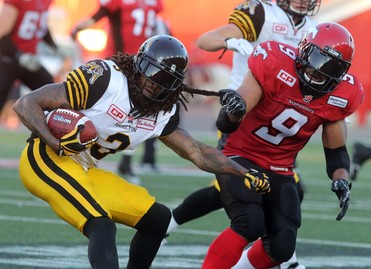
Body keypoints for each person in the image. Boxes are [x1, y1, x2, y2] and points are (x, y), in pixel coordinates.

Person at [13, 35, 271, 269]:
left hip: (85, 168)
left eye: (163, 81)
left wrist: (241, 172)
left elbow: (197, 152)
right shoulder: (105, 80)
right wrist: (55, 142)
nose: (152, 84)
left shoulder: (163, 111)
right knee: (100, 224)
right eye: (150, 72)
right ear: (138, 65)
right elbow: (26, 103)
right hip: (46, 158)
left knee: (158, 219)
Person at [167, 1, 320, 268]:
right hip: (243, 114)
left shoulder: (313, 29)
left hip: (280, 117)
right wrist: (230, 43)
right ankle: (287, 258)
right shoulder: (262, 14)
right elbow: (206, 40)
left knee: (236, 189)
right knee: (277, 189)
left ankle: (169, 222)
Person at [201, 22, 362, 269]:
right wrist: (233, 112)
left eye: (332, 66)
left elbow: (336, 153)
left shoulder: (343, 94)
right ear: (304, 48)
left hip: (281, 168)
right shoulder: (274, 61)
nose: (321, 70)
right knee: (249, 221)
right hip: (239, 154)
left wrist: (341, 179)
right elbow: (227, 123)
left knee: (283, 245)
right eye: (319, 58)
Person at [71, 0, 165, 183]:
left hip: (131, 63)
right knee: (113, 109)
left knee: (138, 113)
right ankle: (81, 147)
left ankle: (123, 161)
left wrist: (76, 29)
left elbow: (95, 17)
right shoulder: (152, 3)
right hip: (131, 64)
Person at [0, 0, 58, 116]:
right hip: (6, 59)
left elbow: (41, 25)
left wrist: (54, 46)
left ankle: (60, 130)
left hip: (29, 61)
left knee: (53, 96)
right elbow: (1, 32)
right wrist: (19, 55)